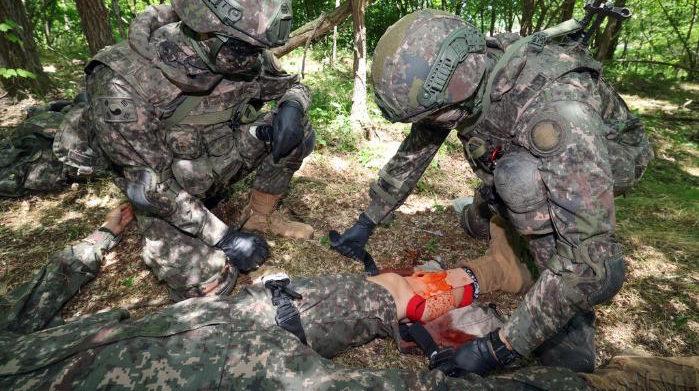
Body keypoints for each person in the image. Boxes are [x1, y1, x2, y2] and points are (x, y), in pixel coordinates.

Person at [2, 204, 695, 390]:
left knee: (372, 294)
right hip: (200, 377)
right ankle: (578, 387)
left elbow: (30, 303)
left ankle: (492, 274)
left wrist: (98, 237)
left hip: (212, 321)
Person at [329, 9, 654, 374]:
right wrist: (368, 219)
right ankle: (492, 210)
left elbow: (593, 264)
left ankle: (571, 324)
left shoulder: (559, 114)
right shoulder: (465, 77)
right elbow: (414, 154)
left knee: (518, 179)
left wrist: (500, 348)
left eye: (436, 116)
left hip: (608, 153)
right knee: (504, 179)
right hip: (526, 149)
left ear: (455, 93)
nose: (432, 125)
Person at [81, 0, 316, 301]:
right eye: (243, 51)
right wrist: (222, 236)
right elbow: (153, 188)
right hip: (168, 191)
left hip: (217, 161)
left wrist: (293, 108)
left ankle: (261, 215)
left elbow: (293, 85)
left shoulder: (240, 49)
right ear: (203, 33)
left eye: (255, 51)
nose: (252, 60)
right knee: (211, 284)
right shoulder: (122, 82)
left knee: (298, 132)